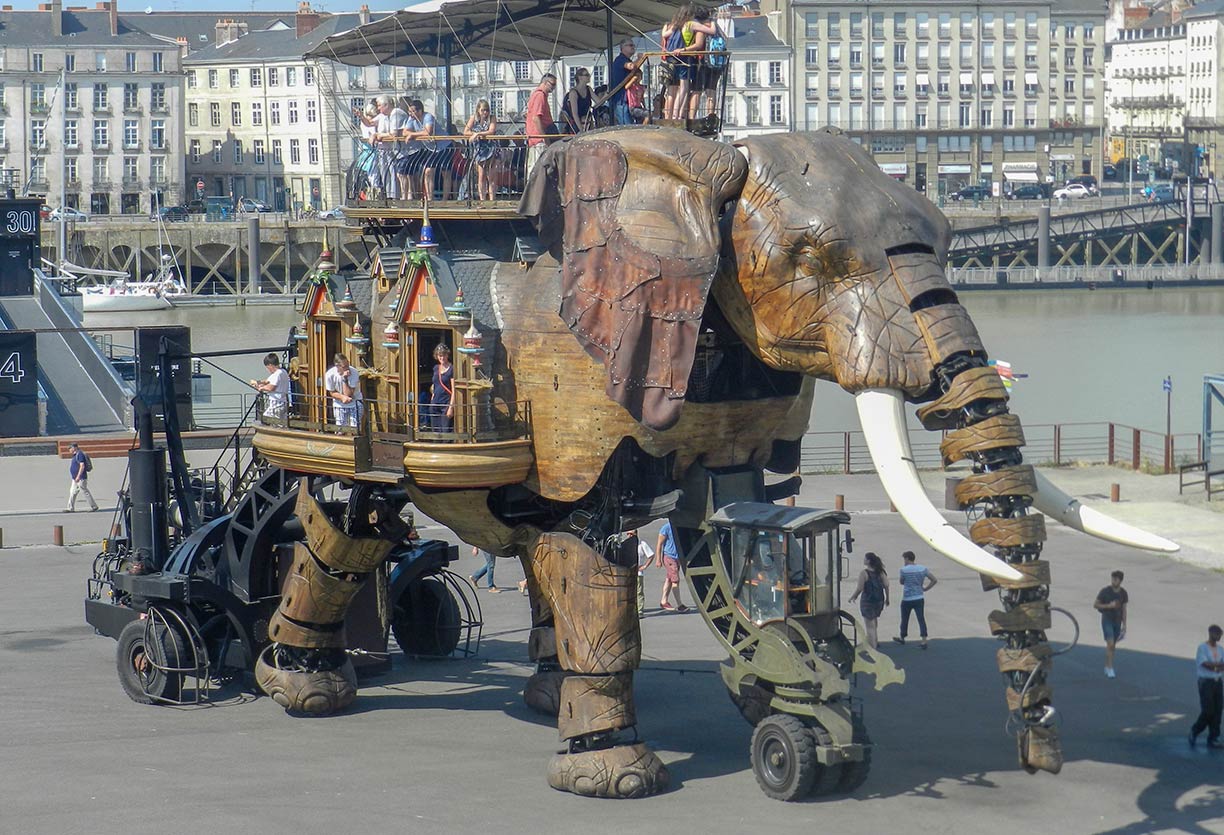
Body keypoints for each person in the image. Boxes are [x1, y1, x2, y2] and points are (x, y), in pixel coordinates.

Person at [1190, 624, 1224, 749]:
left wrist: (1216, 666)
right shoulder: (1203, 648)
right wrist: (1217, 666)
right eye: (1217, 634)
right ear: (1210, 633)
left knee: (1218, 709)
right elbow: (1204, 664)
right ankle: (1195, 730)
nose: (1219, 636)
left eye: (1220, 634)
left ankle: (1214, 737)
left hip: (1218, 681)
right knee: (1208, 710)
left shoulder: (1221, 650)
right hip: (1206, 682)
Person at [894, 550, 936, 648]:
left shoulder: (904, 570)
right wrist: (925, 588)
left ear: (907, 558)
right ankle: (924, 640)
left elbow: (901, 582)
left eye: (904, 559)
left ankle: (902, 637)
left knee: (904, 619)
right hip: (919, 597)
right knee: (921, 619)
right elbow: (934, 580)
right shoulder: (922, 569)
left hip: (907, 598)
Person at [847, 552, 889, 649]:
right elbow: (886, 585)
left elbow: (860, 588)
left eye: (865, 559)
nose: (864, 560)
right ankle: (876, 640)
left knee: (869, 626)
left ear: (869, 561)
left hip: (868, 601)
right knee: (874, 620)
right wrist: (887, 598)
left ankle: (872, 647)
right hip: (879, 600)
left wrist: (854, 596)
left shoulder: (864, 573)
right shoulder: (880, 572)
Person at [1093, 570, 1129, 679]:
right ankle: (1110, 667)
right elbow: (1095, 605)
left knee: (1112, 646)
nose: (1114, 580)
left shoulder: (1123, 593)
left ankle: (1107, 664)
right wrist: (1109, 606)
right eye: (1113, 578)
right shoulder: (1105, 591)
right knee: (1110, 643)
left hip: (1117, 621)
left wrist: (1125, 625)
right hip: (1107, 619)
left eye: (1116, 579)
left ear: (1120, 581)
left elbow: (1124, 609)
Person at [463, 99, 498, 202]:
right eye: (483, 110)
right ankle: (482, 199)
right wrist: (474, 134)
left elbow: (491, 131)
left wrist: (477, 134)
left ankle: (492, 200)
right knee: (481, 176)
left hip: (491, 148)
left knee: (491, 176)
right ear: (478, 110)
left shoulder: (492, 118)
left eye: (487, 110)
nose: (485, 113)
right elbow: (465, 132)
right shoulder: (473, 118)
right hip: (479, 150)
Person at [525, 73, 558, 176]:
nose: (553, 87)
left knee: (537, 169)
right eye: (552, 84)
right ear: (545, 82)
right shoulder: (540, 96)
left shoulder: (537, 95)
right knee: (540, 170)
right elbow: (536, 118)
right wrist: (545, 138)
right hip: (539, 140)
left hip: (536, 138)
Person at [655, 521, 689, 612]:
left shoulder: (679, 526)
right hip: (669, 557)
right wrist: (658, 559)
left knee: (669, 579)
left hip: (677, 557)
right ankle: (680, 605)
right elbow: (659, 544)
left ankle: (664, 601)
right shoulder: (666, 528)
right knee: (675, 581)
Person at [324, 353, 362, 427]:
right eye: (344, 367)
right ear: (337, 366)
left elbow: (348, 394)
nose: (348, 368)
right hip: (339, 404)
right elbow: (332, 392)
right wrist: (342, 397)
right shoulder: (329, 374)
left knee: (354, 428)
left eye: (348, 365)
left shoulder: (354, 372)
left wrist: (344, 379)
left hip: (355, 403)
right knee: (340, 429)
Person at [608, 40, 640, 126]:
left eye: (633, 45)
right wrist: (639, 59)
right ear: (622, 48)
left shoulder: (627, 59)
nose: (633, 47)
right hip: (621, 99)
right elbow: (631, 66)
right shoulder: (620, 60)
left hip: (629, 99)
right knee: (626, 126)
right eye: (630, 45)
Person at [250, 352, 289, 421]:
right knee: (282, 423)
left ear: (270, 365)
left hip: (276, 404)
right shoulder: (283, 372)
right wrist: (257, 383)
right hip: (283, 403)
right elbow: (267, 382)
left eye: (268, 368)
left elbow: (271, 388)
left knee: (265, 419)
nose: (268, 370)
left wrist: (261, 388)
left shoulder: (277, 374)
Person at [626, 529, 654, 616]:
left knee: (639, 592)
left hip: (638, 572)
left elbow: (651, 555)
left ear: (636, 534)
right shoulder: (626, 544)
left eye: (631, 534)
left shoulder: (642, 544)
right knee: (628, 592)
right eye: (628, 534)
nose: (629, 536)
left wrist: (645, 566)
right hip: (628, 571)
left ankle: (639, 610)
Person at [65, 442, 99, 512]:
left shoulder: (79, 454)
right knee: (72, 492)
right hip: (75, 478)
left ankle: (94, 506)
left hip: (80, 478)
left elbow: (82, 466)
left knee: (84, 491)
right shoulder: (75, 455)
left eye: (70, 448)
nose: (69, 450)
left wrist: (78, 476)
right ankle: (70, 508)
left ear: (74, 448)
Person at [429, 343, 454, 432]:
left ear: (447, 355)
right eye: (440, 355)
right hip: (435, 403)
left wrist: (451, 407)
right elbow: (435, 384)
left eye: (444, 355)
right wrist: (432, 399)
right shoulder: (436, 368)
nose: (442, 358)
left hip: (446, 403)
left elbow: (454, 390)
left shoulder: (452, 369)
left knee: (445, 430)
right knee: (435, 430)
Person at [562, 68, 593, 133]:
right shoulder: (573, 93)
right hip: (574, 123)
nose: (589, 76)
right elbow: (575, 114)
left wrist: (607, 93)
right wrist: (581, 130)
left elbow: (599, 102)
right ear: (580, 77)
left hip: (586, 121)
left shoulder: (588, 89)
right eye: (586, 75)